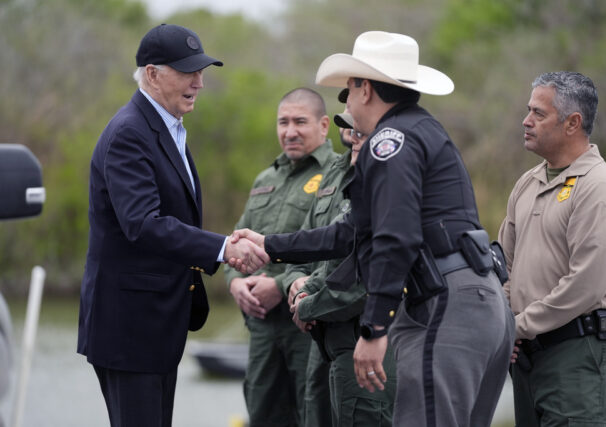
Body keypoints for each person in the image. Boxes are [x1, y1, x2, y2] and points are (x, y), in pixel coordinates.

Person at [231, 31, 515, 426]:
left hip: (446, 304)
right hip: (476, 301)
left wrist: (375, 327)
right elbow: (350, 234)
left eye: (348, 90)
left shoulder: (390, 141)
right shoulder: (420, 129)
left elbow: (394, 239)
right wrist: (271, 245)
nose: (346, 101)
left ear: (365, 89)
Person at [76, 24, 268, 427]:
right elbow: (143, 224)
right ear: (152, 74)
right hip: (129, 330)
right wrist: (223, 248)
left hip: (155, 328)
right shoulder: (130, 132)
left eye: (201, 72)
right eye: (187, 72)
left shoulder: (167, 127)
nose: (198, 82)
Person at [498, 71, 606, 426]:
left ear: (573, 123)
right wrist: (503, 322)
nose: (526, 121)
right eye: (528, 111)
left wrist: (516, 327)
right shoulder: (527, 183)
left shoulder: (601, 189)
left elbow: (584, 288)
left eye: (538, 114)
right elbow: (504, 268)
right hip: (526, 357)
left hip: (577, 359)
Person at [224, 87, 339, 427]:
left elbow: (339, 248)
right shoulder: (265, 178)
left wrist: (279, 284)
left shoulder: (337, 175)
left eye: (300, 122)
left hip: (308, 327)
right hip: (262, 329)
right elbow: (237, 238)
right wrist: (234, 284)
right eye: (283, 122)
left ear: (323, 125)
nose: (290, 131)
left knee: (314, 414)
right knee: (262, 413)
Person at [285, 98, 397, 426]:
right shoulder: (332, 174)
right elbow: (306, 243)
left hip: (367, 338)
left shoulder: (390, 180)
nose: (349, 124)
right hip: (324, 338)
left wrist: (308, 305)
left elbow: (366, 273)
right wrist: (295, 285)